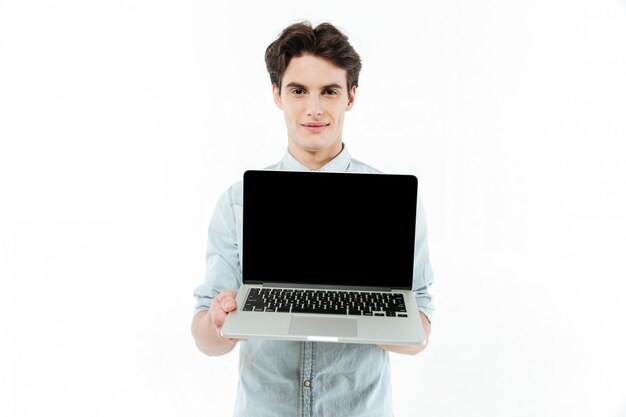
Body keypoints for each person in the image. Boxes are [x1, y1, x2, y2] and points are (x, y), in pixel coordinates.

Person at [191, 20, 434, 417]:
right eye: (298, 90)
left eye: (330, 91)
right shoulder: (238, 203)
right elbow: (204, 337)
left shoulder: (395, 204)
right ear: (277, 95)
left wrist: (372, 316)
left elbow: (419, 333)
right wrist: (219, 322)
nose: (314, 108)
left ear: (351, 97)